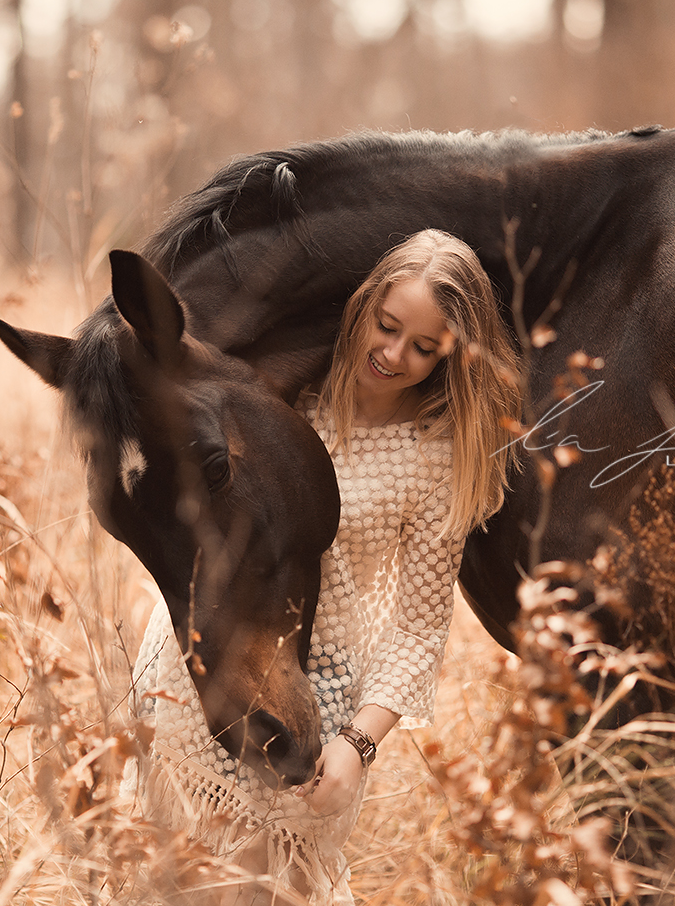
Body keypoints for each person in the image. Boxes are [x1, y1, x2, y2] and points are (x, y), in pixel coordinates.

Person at [129, 229, 523, 904]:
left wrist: (357, 744)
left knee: (265, 887)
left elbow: (417, 630)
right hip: (197, 668)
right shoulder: (282, 392)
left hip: (313, 700)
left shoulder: (434, 458)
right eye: (387, 325)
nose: (394, 354)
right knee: (164, 878)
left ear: (453, 356)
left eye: (425, 347)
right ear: (364, 303)